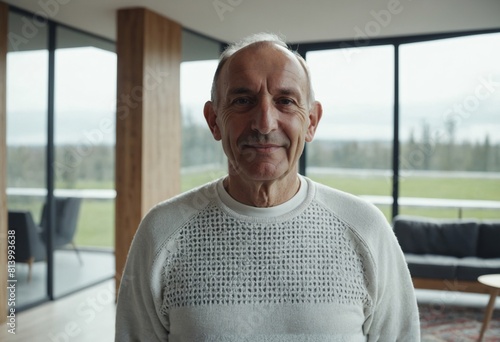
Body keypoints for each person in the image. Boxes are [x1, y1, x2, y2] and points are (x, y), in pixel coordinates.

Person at [115, 32, 420, 341]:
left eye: (285, 101)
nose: (264, 123)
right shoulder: (162, 231)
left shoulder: (366, 229)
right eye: (243, 100)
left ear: (311, 121)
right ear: (214, 121)